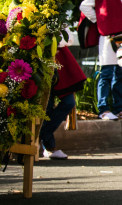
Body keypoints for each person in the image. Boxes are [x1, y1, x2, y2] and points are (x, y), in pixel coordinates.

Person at [40, 28, 86, 159]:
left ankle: (41, 134)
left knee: (68, 102)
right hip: (42, 60)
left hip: (60, 61)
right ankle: (49, 147)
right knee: (46, 107)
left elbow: (68, 39)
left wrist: (53, 40)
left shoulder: (58, 14)